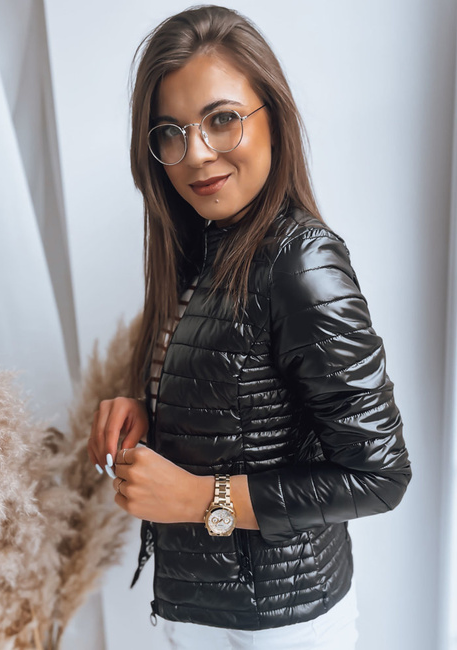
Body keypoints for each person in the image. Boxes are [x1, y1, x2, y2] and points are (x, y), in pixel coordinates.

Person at [87, 5, 412, 649]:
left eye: (222, 119)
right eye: (170, 133)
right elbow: (241, 408)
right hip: (203, 614)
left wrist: (198, 499)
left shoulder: (302, 262)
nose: (196, 155)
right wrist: (152, 408)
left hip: (281, 628)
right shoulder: (200, 248)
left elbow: (380, 477)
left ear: (273, 116)